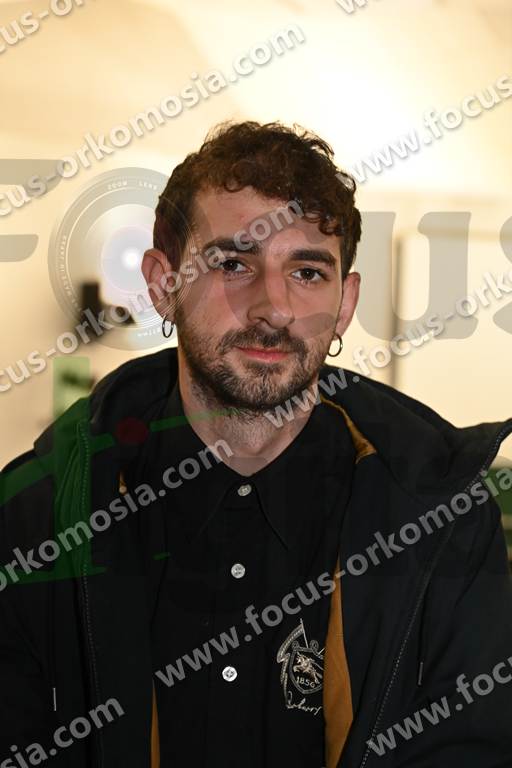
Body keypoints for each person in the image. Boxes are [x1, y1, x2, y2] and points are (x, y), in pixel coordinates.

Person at [1, 120, 511, 768]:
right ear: (162, 284)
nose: (273, 306)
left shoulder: (444, 520)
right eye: (233, 263)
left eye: (308, 271)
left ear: (345, 303)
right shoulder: (39, 519)